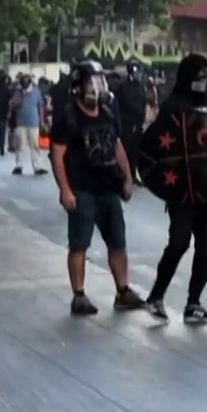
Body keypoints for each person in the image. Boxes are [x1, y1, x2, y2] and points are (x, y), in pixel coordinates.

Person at [49, 61, 145, 316]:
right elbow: (57, 155)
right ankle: (79, 294)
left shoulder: (108, 113)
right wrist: (65, 189)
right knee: (79, 243)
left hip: (108, 188)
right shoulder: (68, 117)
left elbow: (117, 146)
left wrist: (127, 176)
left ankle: (123, 290)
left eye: (100, 82)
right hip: (82, 189)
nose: (98, 87)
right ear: (79, 87)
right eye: (93, 82)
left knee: (118, 241)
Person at [142, 54, 207, 325]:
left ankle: (194, 303)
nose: (206, 83)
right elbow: (157, 146)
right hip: (182, 191)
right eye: (201, 77)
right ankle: (156, 296)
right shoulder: (173, 107)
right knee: (178, 243)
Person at [10, 73, 49, 176]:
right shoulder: (18, 92)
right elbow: (13, 105)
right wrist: (20, 95)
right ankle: (19, 166)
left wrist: (41, 121)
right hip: (20, 122)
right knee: (20, 145)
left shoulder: (36, 92)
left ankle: (37, 166)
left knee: (35, 145)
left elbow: (40, 107)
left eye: (26, 83)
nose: (25, 85)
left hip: (33, 122)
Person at [117, 61, 148, 180]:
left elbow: (143, 100)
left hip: (138, 123)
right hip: (127, 123)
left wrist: (143, 113)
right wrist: (138, 112)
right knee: (126, 148)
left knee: (136, 149)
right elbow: (127, 102)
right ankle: (125, 174)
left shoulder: (140, 85)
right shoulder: (123, 86)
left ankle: (133, 174)